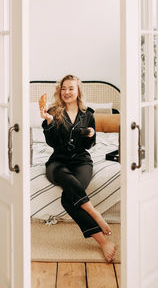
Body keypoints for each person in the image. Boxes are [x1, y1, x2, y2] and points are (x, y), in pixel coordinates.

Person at [40, 74, 116, 262]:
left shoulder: (88, 114)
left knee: (68, 198)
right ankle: (94, 213)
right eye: (64, 88)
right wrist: (48, 121)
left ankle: (104, 242)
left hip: (81, 161)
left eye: (71, 88)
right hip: (57, 161)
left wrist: (91, 135)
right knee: (68, 182)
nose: (67, 92)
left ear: (78, 91)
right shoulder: (53, 111)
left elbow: (90, 146)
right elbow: (51, 143)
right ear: (60, 91)